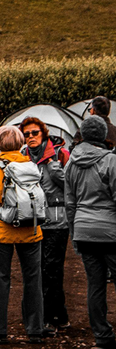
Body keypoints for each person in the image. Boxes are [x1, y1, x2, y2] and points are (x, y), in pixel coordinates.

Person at [0, 124, 46, 344]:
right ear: (22, 143)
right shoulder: (31, 165)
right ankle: (35, 328)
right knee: (33, 280)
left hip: (1, 232)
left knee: (1, 280)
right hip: (31, 230)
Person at [67, 116, 116, 349]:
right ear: (104, 135)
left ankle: (102, 336)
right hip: (110, 232)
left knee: (95, 285)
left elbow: (70, 204)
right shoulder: (111, 161)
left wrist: (74, 233)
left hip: (84, 231)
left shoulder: (71, 163)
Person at [21, 117, 70, 332]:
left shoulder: (60, 154)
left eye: (34, 133)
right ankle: (58, 316)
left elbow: (69, 184)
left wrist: (53, 166)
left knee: (52, 270)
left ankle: (50, 318)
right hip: (33, 221)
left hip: (57, 223)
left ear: (44, 134)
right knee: (39, 270)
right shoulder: (23, 156)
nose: (30, 137)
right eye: (27, 133)